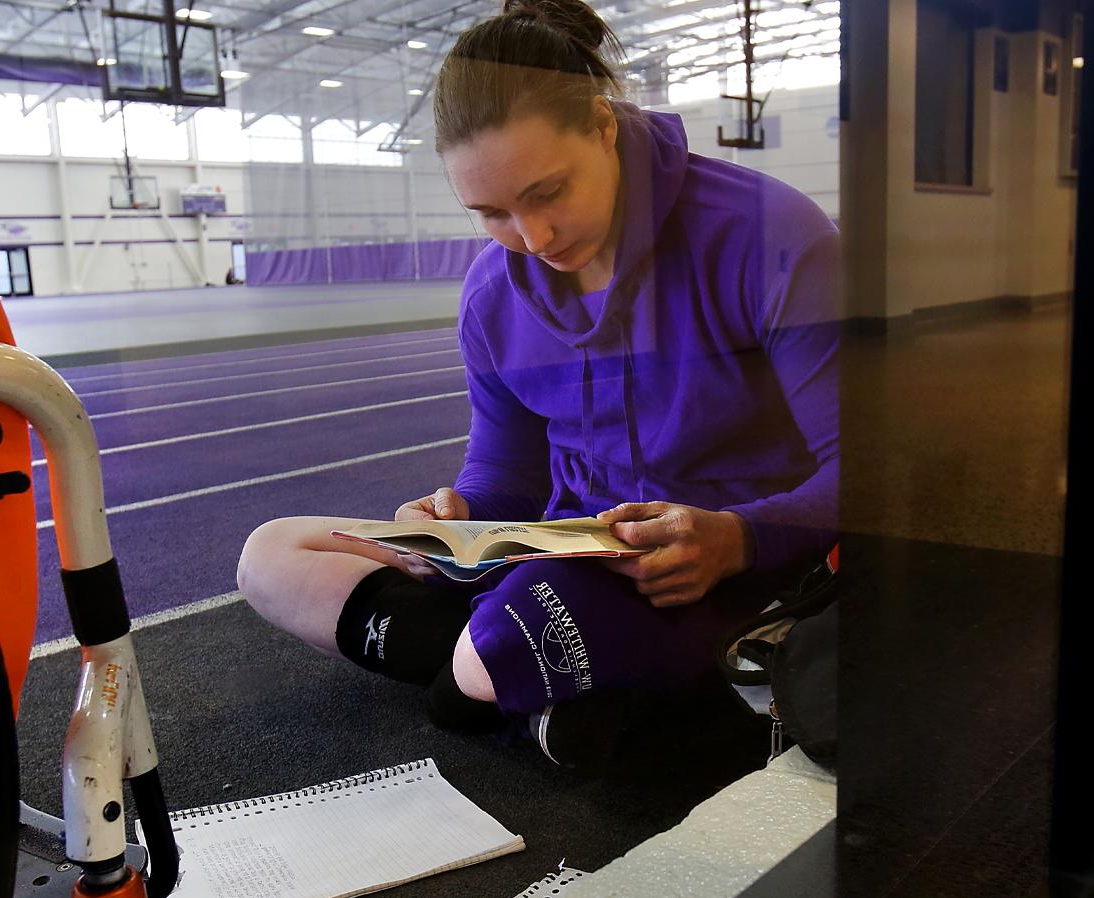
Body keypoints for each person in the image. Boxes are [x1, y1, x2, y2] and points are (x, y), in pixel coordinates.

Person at [235, 0, 840, 767]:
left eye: (549, 192)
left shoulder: (766, 234)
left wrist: (735, 538)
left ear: (603, 125)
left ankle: (509, 671)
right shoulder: (494, 293)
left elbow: (866, 470)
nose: (533, 238)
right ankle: (547, 689)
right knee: (272, 554)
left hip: (714, 573)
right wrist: (455, 518)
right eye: (491, 213)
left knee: (480, 664)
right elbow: (506, 474)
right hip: (564, 553)